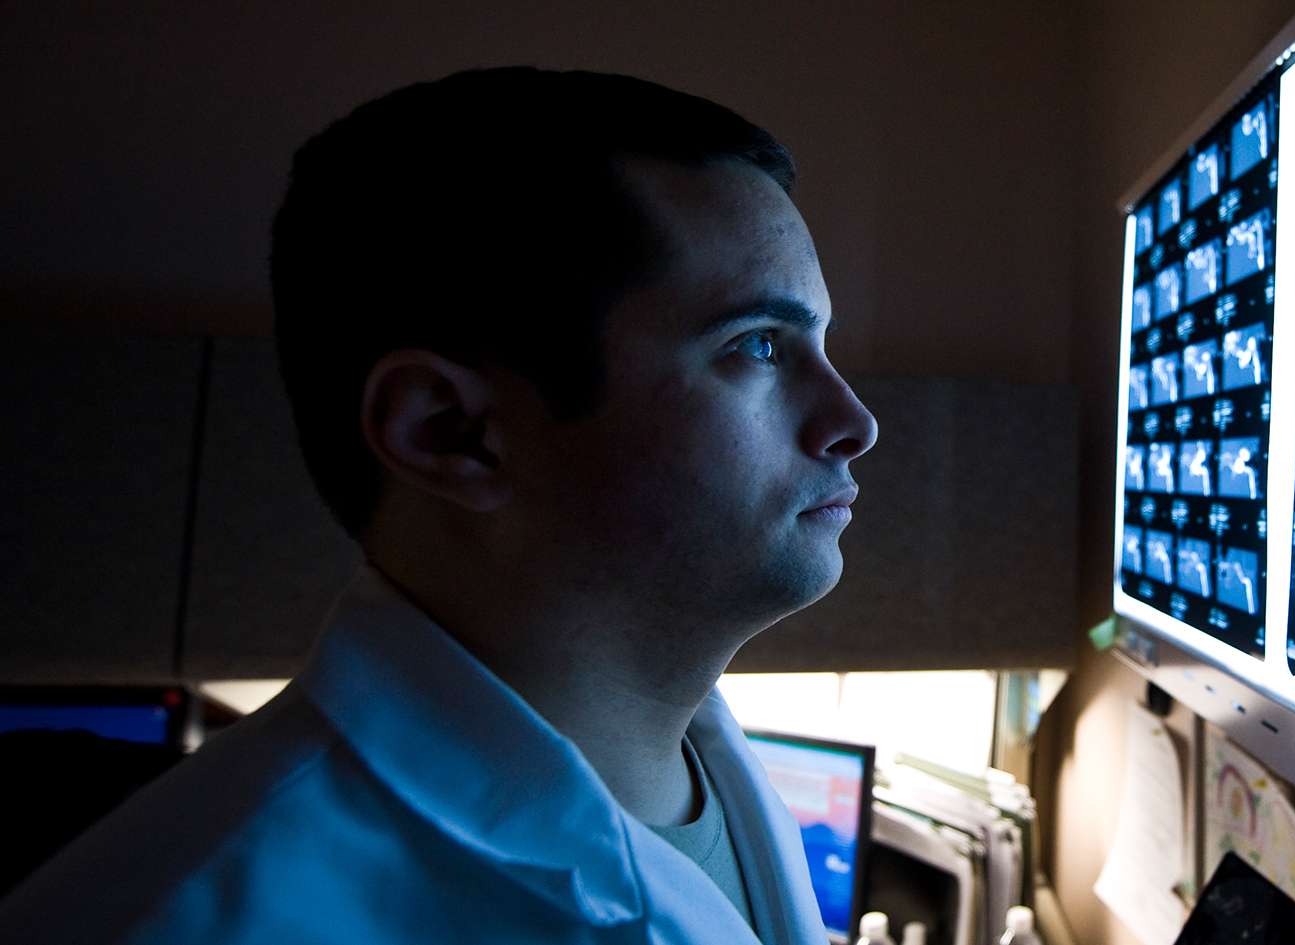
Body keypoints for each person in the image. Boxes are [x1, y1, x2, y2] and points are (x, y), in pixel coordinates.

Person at [0, 67, 878, 944]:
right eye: (758, 345)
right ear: (450, 432)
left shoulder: (723, 792)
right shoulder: (183, 917)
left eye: (818, 343)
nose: (854, 422)